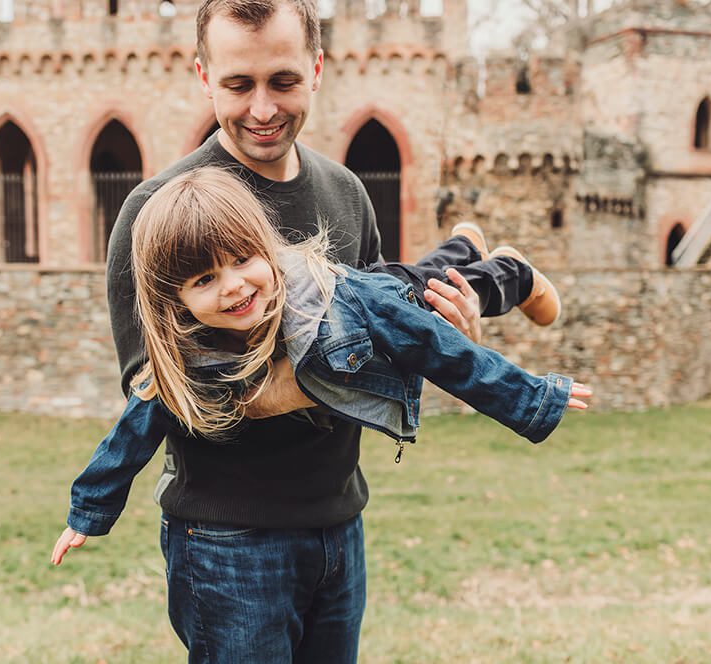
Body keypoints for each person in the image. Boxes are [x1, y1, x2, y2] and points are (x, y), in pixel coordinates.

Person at [71, 0, 562, 658]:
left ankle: (483, 265)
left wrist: (444, 335)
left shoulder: (346, 192)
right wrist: (371, 360)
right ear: (203, 76)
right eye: (239, 85)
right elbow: (160, 386)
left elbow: (379, 312)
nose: (263, 109)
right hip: (228, 545)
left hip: (339, 524)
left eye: (283, 81)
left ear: (318, 68)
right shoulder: (159, 212)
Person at [52, 168, 594, 661]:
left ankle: (510, 272)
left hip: (378, 310)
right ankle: (463, 244)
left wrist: (531, 398)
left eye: (242, 261)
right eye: (205, 281)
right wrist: (89, 511)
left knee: (428, 295)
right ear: (175, 300)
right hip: (229, 541)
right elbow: (134, 428)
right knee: (412, 280)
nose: (235, 286)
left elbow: (444, 352)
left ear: (265, 249)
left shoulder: (339, 298)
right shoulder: (183, 354)